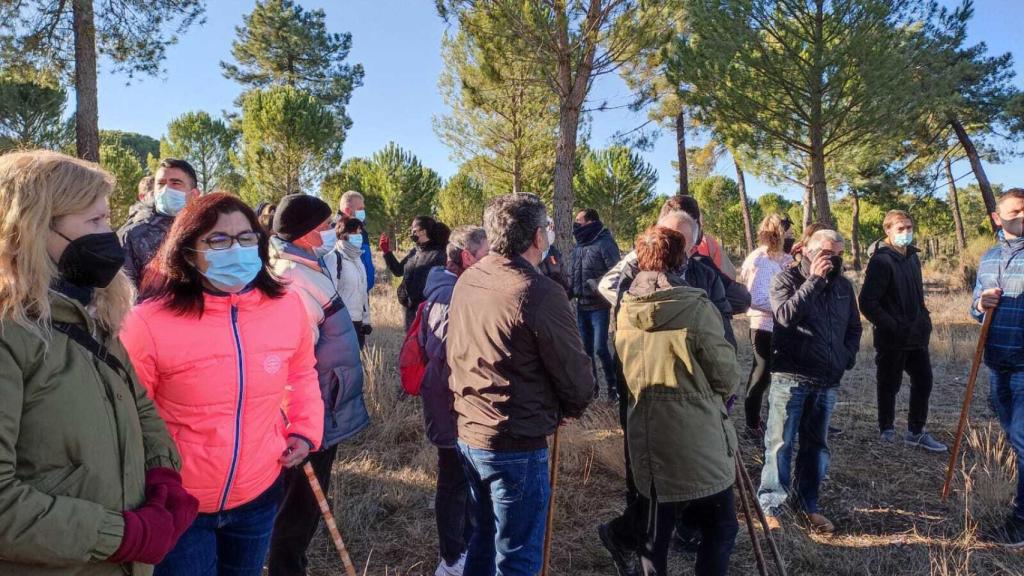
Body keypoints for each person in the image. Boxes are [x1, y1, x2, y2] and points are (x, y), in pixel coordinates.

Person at [0, 150, 196, 575]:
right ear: (34, 227)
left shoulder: (89, 313)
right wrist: (122, 535)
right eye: (94, 223)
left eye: (107, 218)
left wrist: (164, 474)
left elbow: (139, 403)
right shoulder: (10, 333)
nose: (110, 236)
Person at [119, 193, 325, 576]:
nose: (237, 249)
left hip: (259, 493)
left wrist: (303, 427)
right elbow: (129, 414)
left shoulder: (286, 306)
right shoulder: (147, 322)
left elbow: (300, 371)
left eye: (247, 238)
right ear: (188, 249)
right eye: (218, 240)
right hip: (180, 503)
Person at [447, 193, 594, 575]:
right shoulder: (537, 292)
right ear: (537, 238)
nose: (549, 235)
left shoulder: (471, 277)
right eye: (546, 227)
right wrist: (572, 406)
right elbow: (575, 374)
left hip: (471, 428)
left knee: (484, 535)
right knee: (517, 555)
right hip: (514, 440)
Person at [596, 207, 732, 571]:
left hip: (648, 428)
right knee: (721, 525)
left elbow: (620, 358)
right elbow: (727, 376)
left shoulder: (626, 307)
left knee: (655, 531)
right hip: (693, 428)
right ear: (682, 256)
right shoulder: (695, 307)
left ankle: (626, 538)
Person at [265, 194, 370, 575]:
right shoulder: (293, 279)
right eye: (326, 226)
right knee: (296, 510)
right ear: (309, 233)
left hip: (323, 407)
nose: (331, 232)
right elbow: (295, 359)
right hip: (311, 416)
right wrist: (301, 426)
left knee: (302, 507)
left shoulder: (308, 266)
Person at [757, 229, 862, 534]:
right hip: (791, 377)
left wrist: (845, 357)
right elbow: (785, 316)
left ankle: (808, 506)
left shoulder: (843, 286)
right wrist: (814, 281)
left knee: (816, 447)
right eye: (827, 253)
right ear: (806, 250)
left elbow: (854, 328)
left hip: (827, 379)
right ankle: (772, 505)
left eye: (838, 254)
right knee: (780, 443)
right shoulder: (785, 280)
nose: (833, 260)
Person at [421, 226, 490, 576]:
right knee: (452, 482)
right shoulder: (450, 296)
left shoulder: (451, 288)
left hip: (454, 402)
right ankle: (452, 558)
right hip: (450, 404)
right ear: (467, 257)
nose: (490, 261)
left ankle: (464, 545)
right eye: (485, 255)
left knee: (462, 480)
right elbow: (448, 351)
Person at [859, 210, 945, 452]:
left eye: (909, 227)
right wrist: (892, 325)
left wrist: (923, 319)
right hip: (892, 338)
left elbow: (918, 295)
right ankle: (886, 429)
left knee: (924, 380)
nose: (906, 232)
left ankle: (916, 432)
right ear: (887, 230)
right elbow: (867, 303)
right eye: (900, 228)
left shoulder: (912, 257)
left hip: (916, 334)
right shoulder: (881, 261)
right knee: (889, 384)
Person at [973, 188, 1024, 545]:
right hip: (997, 366)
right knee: (1015, 439)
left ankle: (1020, 520)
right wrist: (980, 303)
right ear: (998, 217)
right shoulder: (989, 258)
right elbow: (974, 310)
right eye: (1017, 211)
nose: (1023, 216)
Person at [739, 214, 794, 434]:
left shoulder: (784, 258)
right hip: (763, 326)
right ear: (778, 232)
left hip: (782, 327)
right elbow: (755, 298)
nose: (791, 235)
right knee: (761, 376)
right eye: (787, 231)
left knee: (779, 378)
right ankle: (752, 424)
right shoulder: (760, 259)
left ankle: (774, 422)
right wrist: (788, 308)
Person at [118, 158, 200, 288]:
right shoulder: (133, 235)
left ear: (194, 194)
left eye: (176, 183)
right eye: (161, 183)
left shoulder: (207, 230)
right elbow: (123, 294)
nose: (166, 189)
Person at [569, 208, 621, 401]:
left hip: (599, 306)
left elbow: (616, 271)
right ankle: (593, 390)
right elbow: (573, 273)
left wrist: (595, 284)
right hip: (581, 306)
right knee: (586, 351)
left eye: (579, 221)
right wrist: (569, 290)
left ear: (590, 222)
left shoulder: (605, 243)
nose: (576, 225)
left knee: (600, 348)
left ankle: (613, 388)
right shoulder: (578, 246)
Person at [381, 216, 450, 331]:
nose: (411, 232)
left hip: (428, 311)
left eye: (413, 229)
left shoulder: (439, 254)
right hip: (410, 310)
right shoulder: (415, 251)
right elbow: (398, 271)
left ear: (423, 231)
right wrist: (387, 253)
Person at [336, 217, 372, 348]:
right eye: (355, 233)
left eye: (360, 233)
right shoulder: (334, 258)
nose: (359, 236)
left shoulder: (357, 259)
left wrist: (366, 320)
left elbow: (363, 292)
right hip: (341, 323)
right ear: (344, 234)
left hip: (358, 321)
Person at [338, 190, 376, 292]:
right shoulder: (334, 235)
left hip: (363, 295)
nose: (363, 212)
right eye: (360, 209)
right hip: (348, 298)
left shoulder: (362, 231)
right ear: (347, 210)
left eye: (363, 208)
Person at [539, 217, 571, 297]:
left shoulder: (553, 251)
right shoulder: (528, 251)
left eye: (552, 228)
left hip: (555, 299)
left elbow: (563, 277)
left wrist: (567, 292)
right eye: (548, 227)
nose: (551, 231)